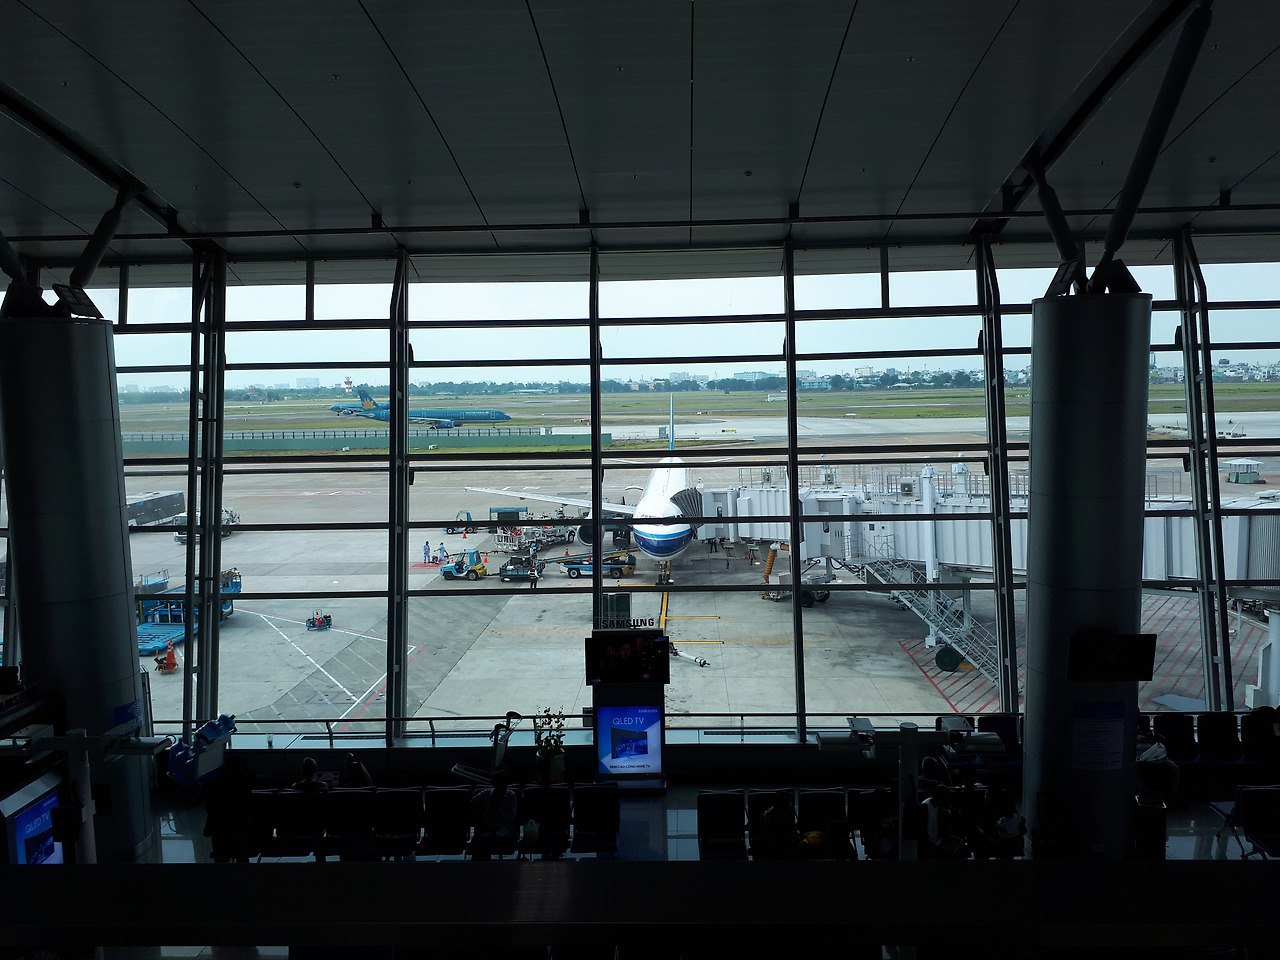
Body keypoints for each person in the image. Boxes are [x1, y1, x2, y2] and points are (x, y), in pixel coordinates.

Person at [469, 768, 518, 860]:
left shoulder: (510, 796)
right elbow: (471, 804)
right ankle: (481, 863)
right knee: (482, 838)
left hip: (502, 830)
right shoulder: (486, 794)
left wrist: (493, 818)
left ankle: (477, 864)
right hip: (487, 827)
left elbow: (511, 817)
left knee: (483, 839)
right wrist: (478, 817)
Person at [752, 790, 803, 860]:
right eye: (790, 802)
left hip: (781, 843)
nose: (791, 804)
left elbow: (790, 831)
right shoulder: (768, 817)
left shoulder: (786, 813)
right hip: (770, 847)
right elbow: (768, 840)